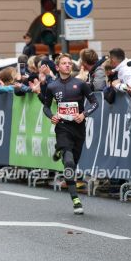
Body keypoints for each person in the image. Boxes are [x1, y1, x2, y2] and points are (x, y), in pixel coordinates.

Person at [43, 53, 99, 214]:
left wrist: (84, 114)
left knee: (73, 162)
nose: (67, 65)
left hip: (78, 128)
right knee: (69, 162)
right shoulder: (52, 86)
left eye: (69, 63)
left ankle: (61, 151)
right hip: (62, 127)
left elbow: (95, 102)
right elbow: (46, 107)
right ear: (57, 67)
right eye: (64, 63)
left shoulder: (80, 84)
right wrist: (51, 116)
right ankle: (75, 199)